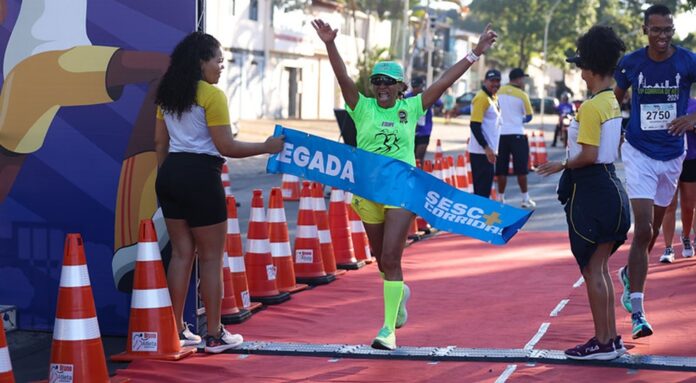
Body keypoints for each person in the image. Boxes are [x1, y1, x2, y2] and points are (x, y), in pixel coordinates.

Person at [312, 18, 497, 350]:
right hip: (367, 192)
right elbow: (343, 78)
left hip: (400, 190)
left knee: (392, 257)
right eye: (377, 81)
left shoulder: (411, 107)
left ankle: (388, 330)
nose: (382, 86)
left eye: (389, 82)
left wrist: (475, 52)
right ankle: (400, 294)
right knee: (379, 258)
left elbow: (443, 81)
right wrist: (330, 44)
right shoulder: (361, 107)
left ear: (401, 87)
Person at [154, 32, 284, 353]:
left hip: (170, 174)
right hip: (201, 176)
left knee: (181, 255)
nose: (222, 66)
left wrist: (169, 176)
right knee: (211, 258)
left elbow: (159, 144)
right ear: (202, 61)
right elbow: (227, 146)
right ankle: (213, 334)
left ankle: (177, 329)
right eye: (218, 59)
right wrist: (266, 147)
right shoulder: (212, 96)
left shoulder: (167, 93)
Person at [538, 25, 629, 360]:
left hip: (591, 189)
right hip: (610, 186)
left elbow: (588, 155)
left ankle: (604, 342)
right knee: (600, 269)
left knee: (593, 271)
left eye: (580, 65)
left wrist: (559, 166)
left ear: (590, 68)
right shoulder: (611, 101)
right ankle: (611, 339)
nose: (579, 70)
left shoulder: (591, 107)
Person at [614, 4, 696, 340]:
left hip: (673, 154)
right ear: (645, 29)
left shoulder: (688, 60)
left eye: (667, 31)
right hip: (638, 151)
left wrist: (694, 118)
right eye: (656, 30)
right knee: (644, 228)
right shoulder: (631, 63)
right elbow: (611, 99)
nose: (662, 37)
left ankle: (628, 273)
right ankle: (638, 313)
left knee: (655, 226)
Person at [659, 98, 696, 263]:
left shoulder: (694, 104)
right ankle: (668, 247)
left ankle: (686, 236)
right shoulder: (663, 103)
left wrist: (693, 126)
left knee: (689, 206)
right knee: (669, 205)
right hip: (669, 158)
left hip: (691, 159)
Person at [496, 68, 535, 208]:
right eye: (522, 79)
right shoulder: (522, 95)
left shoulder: (498, 92)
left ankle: (500, 198)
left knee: (501, 169)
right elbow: (529, 116)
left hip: (501, 134)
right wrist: (518, 120)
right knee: (521, 169)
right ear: (518, 79)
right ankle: (525, 198)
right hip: (518, 133)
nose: (523, 81)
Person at [469, 69, 502, 198]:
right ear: (485, 81)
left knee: (485, 191)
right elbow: (475, 125)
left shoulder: (493, 97)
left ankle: (482, 216)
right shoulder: (481, 98)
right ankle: (480, 217)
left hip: (489, 152)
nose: (495, 84)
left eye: (498, 81)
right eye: (492, 81)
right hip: (481, 153)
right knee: (481, 192)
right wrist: (486, 148)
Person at [406, 76, 443, 166]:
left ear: (421, 86)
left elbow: (440, 104)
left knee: (419, 158)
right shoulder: (407, 97)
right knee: (410, 158)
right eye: (413, 87)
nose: (415, 89)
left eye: (417, 87)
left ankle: (419, 177)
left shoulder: (427, 95)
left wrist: (438, 111)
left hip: (424, 130)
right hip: (410, 130)